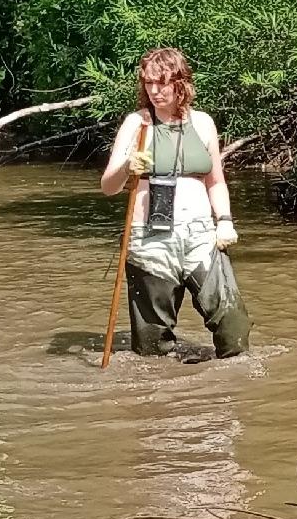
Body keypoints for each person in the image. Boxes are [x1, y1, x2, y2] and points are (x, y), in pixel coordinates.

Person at [98, 48, 251, 359]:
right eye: (148, 84)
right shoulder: (136, 124)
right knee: (152, 345)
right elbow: (108, 186)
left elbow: (216, 181)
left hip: (200, 234)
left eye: (162, 83)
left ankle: (229, 387)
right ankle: (160, 398)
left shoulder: (204, 123)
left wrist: (225, 220)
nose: (154, 91)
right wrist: (128, 165)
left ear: (182, 83)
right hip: (150, 238)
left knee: (232, 324)